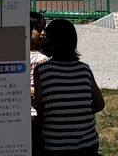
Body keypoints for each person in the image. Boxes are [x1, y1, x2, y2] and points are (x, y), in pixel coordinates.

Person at [34, 19, 104, 156]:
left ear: (51, 42)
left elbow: (41, 110)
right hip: (88, 143)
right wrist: (80, 113)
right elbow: (100, 104)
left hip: (55, 145)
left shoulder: (41, 71)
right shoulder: (84, 69)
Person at [29, 12, 49, 156]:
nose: (43, 33)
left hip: (42, 110)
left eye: (44, 29)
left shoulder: (45, 55)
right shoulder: (19, 54)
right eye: (38, 29)